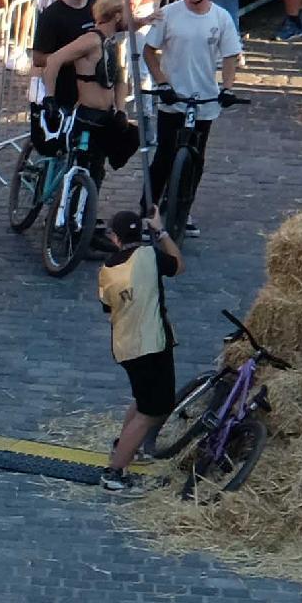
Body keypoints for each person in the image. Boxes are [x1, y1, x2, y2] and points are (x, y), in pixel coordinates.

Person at [139, 0, 246, 231]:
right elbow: (150, 51)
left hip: (203, 101)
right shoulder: (169, 14)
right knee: (164, 156)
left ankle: (182, 209)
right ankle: (147, 211)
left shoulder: (220, 18)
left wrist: (228, 88)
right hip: (173, 98)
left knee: (195, 158)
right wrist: (162, 83)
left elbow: (231, 55)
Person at [98, 211, 185, 493]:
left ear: (114, 237)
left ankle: (124, 446)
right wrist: (162, 232)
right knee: (152, 410)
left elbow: (107, 307)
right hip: (153, 343)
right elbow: (178, 265)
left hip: (126, 347)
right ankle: (114, 474)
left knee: (143, 399)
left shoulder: (107, 271)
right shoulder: (150, 256)